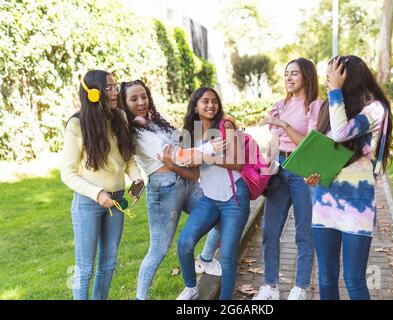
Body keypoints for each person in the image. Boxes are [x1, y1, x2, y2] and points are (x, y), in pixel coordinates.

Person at [118, 80, 223, 300]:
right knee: (158, 249)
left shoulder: (155, 121)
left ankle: (204, 259)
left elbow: (180, 146)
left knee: (219, 217)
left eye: (144, 96)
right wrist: (208, 148)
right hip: (164, 188)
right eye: (134, 99)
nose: (141, 102)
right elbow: (175, 156)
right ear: (124, 103)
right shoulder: (135, 132)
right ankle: (140, 297)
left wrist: (194, 147)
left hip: (187, 182)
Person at [304, 55, 393, 300]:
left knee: (354, 280)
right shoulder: (332, 108)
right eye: (328, 78)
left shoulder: (375, 109)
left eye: (332, 77)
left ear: (347, 78)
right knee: (326, 277)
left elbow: (341, 134)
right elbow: (325, 149)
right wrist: (313, 174)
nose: (327, 82)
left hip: (358, 205)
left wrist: (335, 91)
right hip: (325, 204)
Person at [60, 70, 143, 300]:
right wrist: (97, 194)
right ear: (94, 93)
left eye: (115, 87)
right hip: (88, 202)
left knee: (108, 264)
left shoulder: (120, 118)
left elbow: (128, 159)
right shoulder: (77, 125)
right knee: (85, 268)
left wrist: (136, 177)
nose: (115, 92)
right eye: (109, 88)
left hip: (116, 201)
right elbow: (67, 173)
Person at [254, 58, 321, 300]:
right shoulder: (278, 105)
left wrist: (282, 124)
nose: (289, 78)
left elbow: (308, 144)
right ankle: (270, 286)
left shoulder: (315, 106)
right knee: (270, 231)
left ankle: (300, 287)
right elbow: (273, 142)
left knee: (304, 232)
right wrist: (265, 168)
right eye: (286, 74)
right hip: (279, 168)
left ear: (306, 76)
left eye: (294, 73)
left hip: (303, 168)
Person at [173, 87, 250, 300]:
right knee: (185, 242)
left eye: (214, 101)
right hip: (209, 198)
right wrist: (173, 164)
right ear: (195, 106)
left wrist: (208, 156)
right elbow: (194, 172)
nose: (210, 105)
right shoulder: (191, 133)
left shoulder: (226, 125)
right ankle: (191, 288)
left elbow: (238, 162)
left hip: (234, 198)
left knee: (227, 256)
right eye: (205, 101)